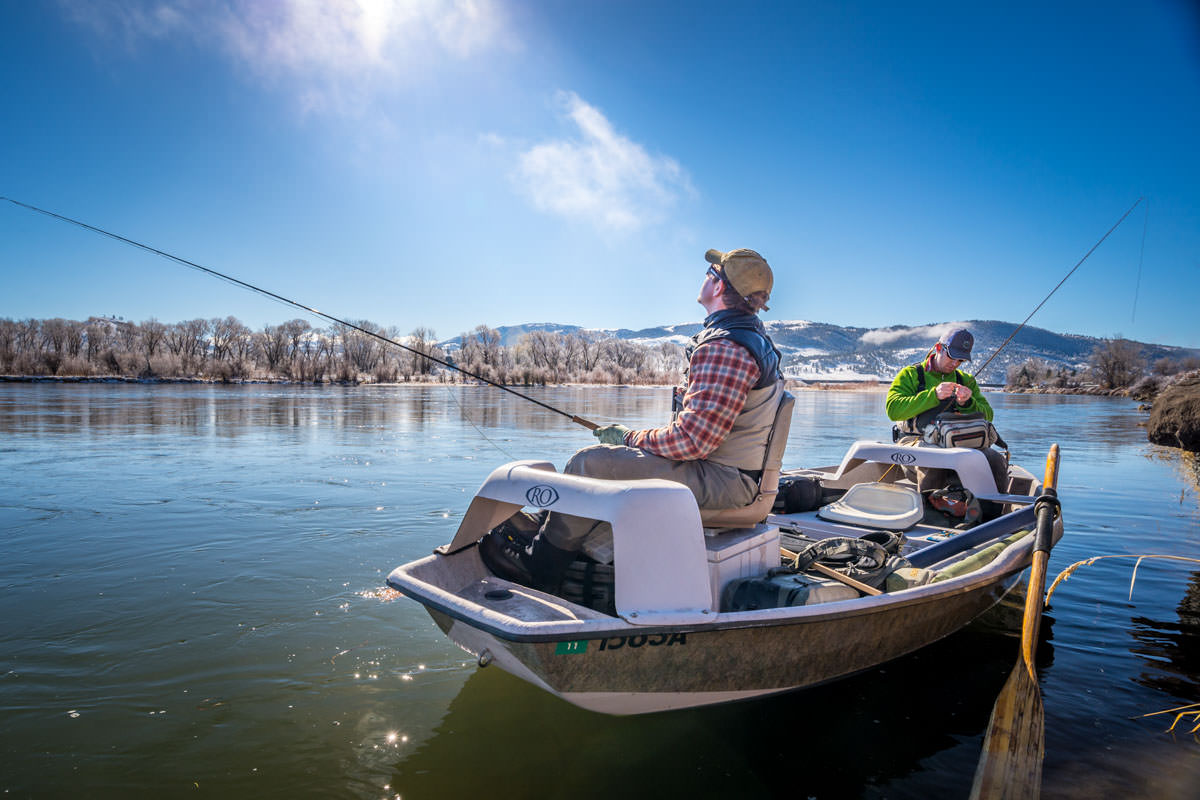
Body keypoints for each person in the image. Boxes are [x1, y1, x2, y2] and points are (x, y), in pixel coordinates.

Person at [480, 248, 787, 592]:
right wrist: (637, 441)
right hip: (727, 473)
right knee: (607, 465)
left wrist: (628, 438)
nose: (704, 278)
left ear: (718, 287)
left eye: (710, 272)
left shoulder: (725, 347)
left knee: (589, 465)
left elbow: (692, 442)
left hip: (724, 481)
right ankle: (546, 527)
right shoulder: (747, 340)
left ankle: (540, 567)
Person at [885, 328, 1008, 492]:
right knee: (935, 459)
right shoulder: (910, 375)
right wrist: (933, 395)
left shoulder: (966, 381)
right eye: (952, 356)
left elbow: (988, 415)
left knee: (994, 460)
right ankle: (929, 514)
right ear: (938, 348)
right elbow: (893, 410)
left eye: (961, 361)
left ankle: (989, 513)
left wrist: (968, 402)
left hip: (958, 443)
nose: (955, 364)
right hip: (914, 442)